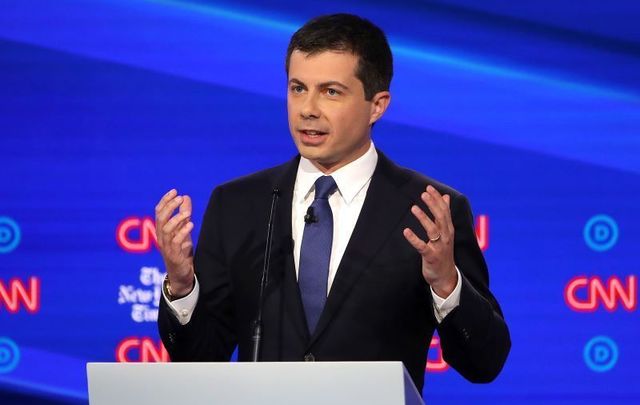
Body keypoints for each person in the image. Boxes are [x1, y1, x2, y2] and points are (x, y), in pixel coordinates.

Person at [155, 13, 510, 392]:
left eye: (331, 91)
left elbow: (483, 363)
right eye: (297, 88)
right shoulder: (238, 205)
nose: (308, 108)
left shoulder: (429, 210)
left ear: (377, 105)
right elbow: (201, 360)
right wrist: (181, 288)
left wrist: (445, 283)